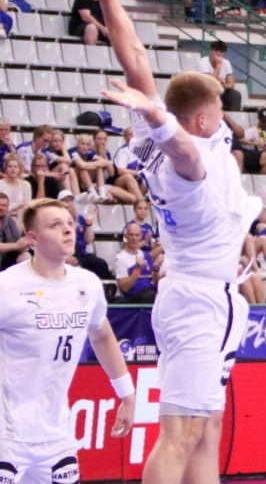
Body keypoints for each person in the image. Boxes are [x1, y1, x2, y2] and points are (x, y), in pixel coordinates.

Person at [66, 0, 261, 483]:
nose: (226, 116)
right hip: (200, 300)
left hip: (198, 294)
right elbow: (182, 151)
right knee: (180, 434)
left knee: (208, 426)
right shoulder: (186, 158)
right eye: (219, 109)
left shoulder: (165, 134)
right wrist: (157, 116)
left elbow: (135, 58)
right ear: (201, 120)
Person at [0, 198, 135, 481]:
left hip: (56, 435)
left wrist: (127, 394)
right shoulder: (7, 287)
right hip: (6, 436)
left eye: (70, 223)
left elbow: (102, 336)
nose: (67, 230)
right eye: (55, 225)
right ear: (33, 238)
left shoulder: (87, 284)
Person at [59, 190, 110, 280]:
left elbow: (89, 240)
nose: (68, 203)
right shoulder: (58, 221)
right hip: (66, 253)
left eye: (70, 200)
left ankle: (103, 287)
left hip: (82, 253)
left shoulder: (80, 218)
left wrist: (88, 221)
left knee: (100, 264)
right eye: (65, 200)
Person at [115, 222, 161, 303]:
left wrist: (156, 269)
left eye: (137, 235)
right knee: (151, 296)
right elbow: (124, 288)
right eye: (131, 235)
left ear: (140, 237)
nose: (134, 238)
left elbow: (155, 281)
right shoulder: (120, 258)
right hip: (135, 296)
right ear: (126, 236)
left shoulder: (144, 255)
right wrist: (137, 269)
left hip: (151, 290)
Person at [197, 41, 242, 112]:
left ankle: (233, 117)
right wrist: (218, 66)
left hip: (221, 90)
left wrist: (223, 85)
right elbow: (209, 83)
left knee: (236, 95)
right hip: (206, 91)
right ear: (210, 51)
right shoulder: (203, 62)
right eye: (216, 51)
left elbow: (231, 84)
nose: (218, 53)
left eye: (221, 52)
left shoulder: (226, 62)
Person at [0, 193, 31, 269]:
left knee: (25, 256)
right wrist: (16, 245)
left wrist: (23, 244)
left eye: (4, 205)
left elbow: (17, 238)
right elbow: (17, 244)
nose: (1, 208)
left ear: (7, 207)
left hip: (8, 257)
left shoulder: (10, 221)